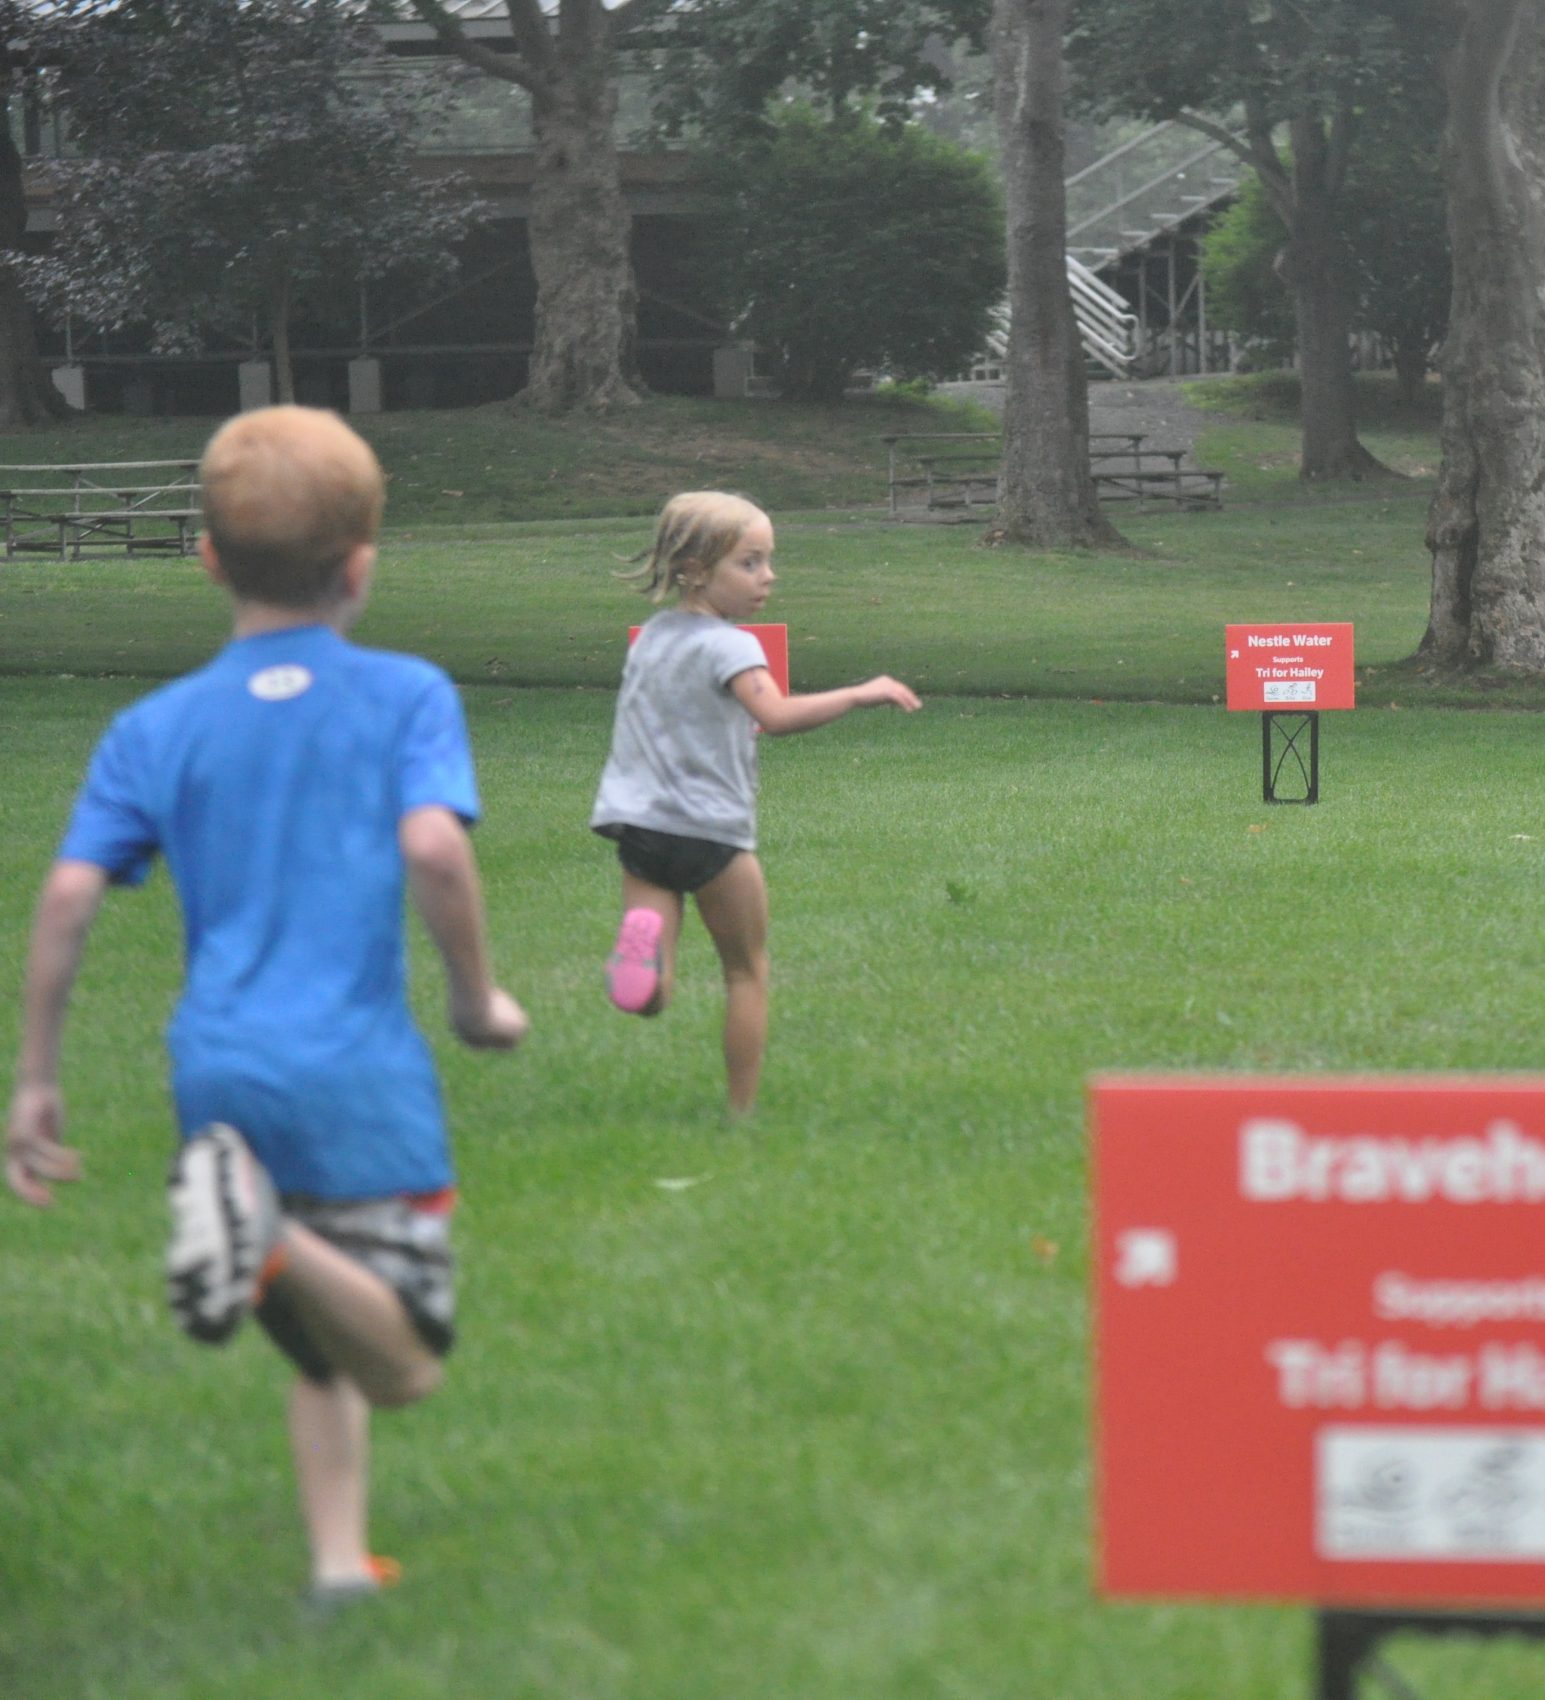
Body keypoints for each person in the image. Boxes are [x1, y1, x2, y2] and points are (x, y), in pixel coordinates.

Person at [4, 406, 527, 1609]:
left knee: (313, 1331)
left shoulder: (154, 726)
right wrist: (476, 996)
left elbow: (74, 889)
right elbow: (436, 849)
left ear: (206, 557)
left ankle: (339, 1566)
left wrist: (37, 1074)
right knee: (403, 1359)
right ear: (361, 566)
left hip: (219, 1072)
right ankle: (270, 1234)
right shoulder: (404, 694)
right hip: (354, 1071)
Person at [592, 492, 920, 1115]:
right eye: (750, 563)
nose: (768, 577)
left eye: (768, 561)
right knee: (746, 970)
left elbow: (662, 718)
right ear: (694, 568)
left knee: (651, 976)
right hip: (711, 832)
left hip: (639, 826)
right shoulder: (732, 646)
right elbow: (774, 713)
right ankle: (742, 1112)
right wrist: (859, 692)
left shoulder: (654, 638)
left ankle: (646, 977)